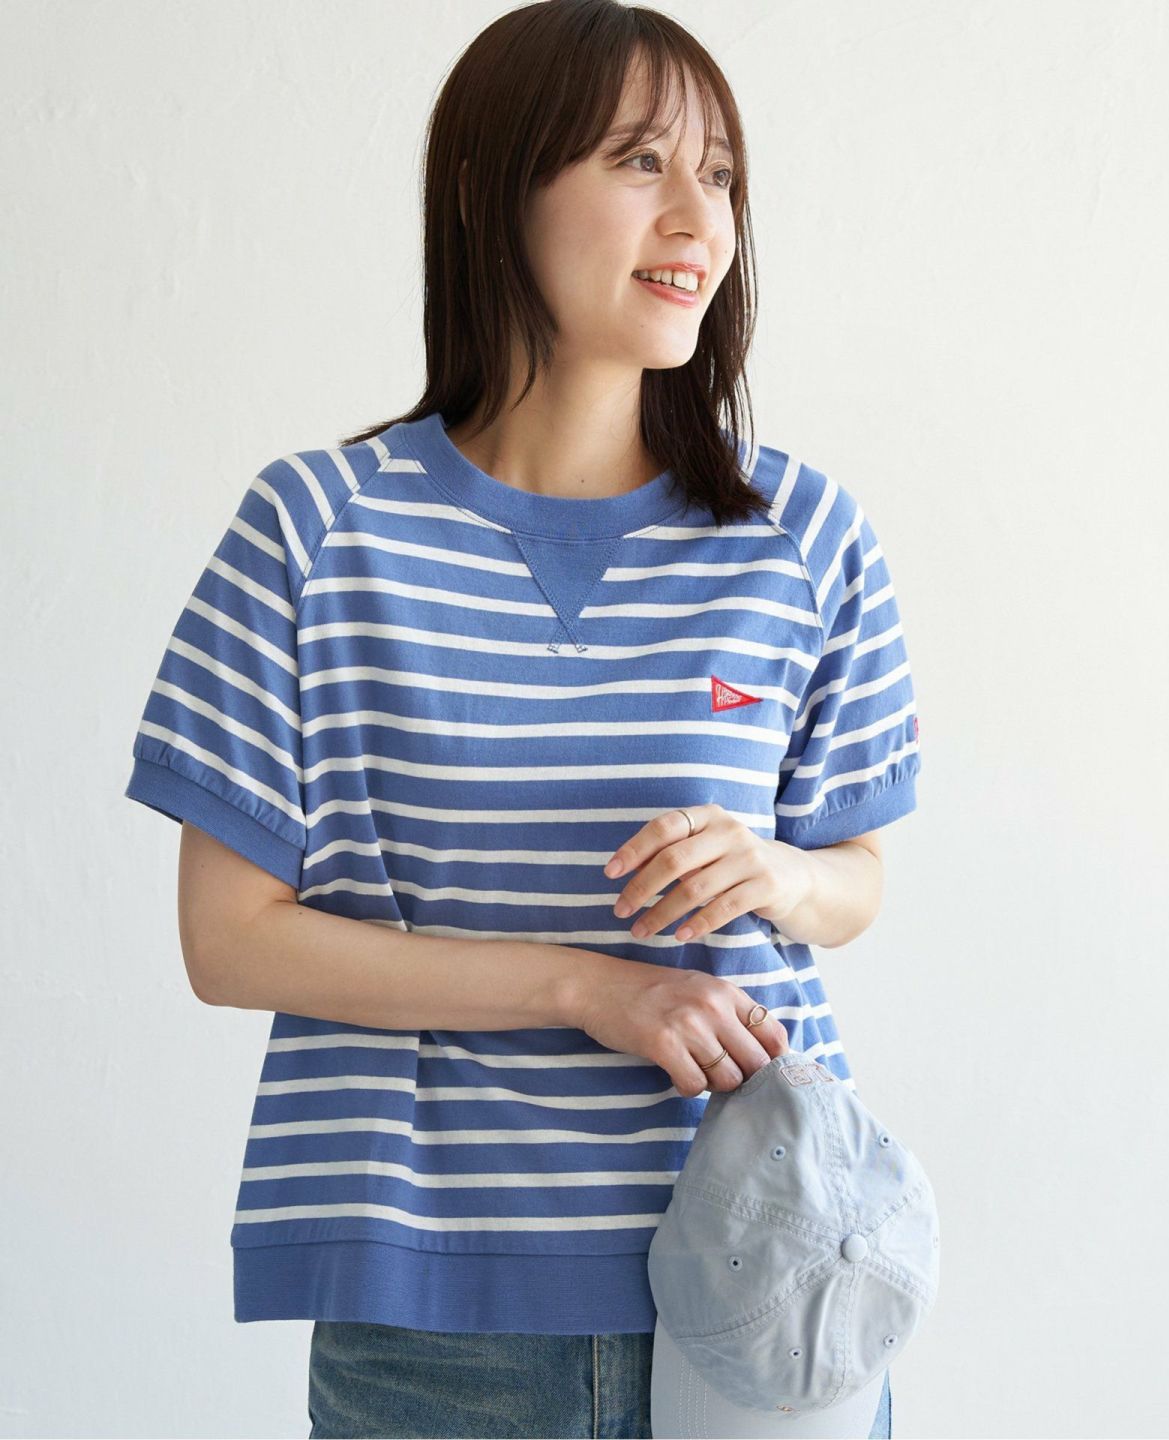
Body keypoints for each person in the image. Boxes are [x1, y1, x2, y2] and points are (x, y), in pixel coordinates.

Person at [124, 3, 919, 1436]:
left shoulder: (805, 536)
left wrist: (779, 875)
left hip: (770, 1281)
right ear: (500, 190)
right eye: (640, 161)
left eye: (723, 175)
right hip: (433, 1312)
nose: (700, 218)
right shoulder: (315, 530)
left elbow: (854, 881)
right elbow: (229, 942)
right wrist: (587, 988)